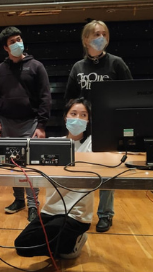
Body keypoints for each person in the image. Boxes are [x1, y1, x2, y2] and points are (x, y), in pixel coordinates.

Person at [64, 20, 133, 232]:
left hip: (108, 127)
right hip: (83, 128)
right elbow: (70, 99)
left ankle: (105, 214)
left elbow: (130, 94)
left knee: (106, 173)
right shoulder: (78, 67)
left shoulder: (116, 63)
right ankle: (75, 211)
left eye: (104, 33)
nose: (100, 37)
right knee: (79, 171)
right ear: (86, 39)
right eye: (95, 34)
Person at [14, 98, 93, 259]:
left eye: (83, 115)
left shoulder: (94, 145)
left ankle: (72, 241)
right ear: (65, 117)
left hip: (76, 215)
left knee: (59, 247)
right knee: (22, 245)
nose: (77, 118)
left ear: (88, 120)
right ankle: (66, 243)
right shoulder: (53, 144)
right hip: (50, 211)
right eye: (73, 113)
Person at [0, 26, 52, 222]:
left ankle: (33, 205)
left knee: (30, 167)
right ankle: (18, 200)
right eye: (12, 42)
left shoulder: (36, 67)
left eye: (18, 39)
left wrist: (41, 125)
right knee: (13, 166)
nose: (17, 44)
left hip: (31, 124)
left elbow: (45, 97)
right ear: (5, 48)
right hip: (7, 124)